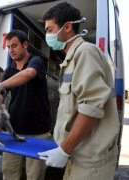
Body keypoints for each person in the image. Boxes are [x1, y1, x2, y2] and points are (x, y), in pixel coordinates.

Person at [38, 2, 120, 180]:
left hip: (90, 161)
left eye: (50, 29)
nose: (47, 35)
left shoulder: (85, 52)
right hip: (76, 154)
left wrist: (64, 149)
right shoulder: (71, 58)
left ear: (67, 27)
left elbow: (90, 106)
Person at [1, 30, 52, 180]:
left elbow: (28, 74)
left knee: (34, 176)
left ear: (25, 45)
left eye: (15, 46)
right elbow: (1, 95)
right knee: (9, 173)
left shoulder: (36, 61)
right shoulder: (9, 70)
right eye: (9, 47)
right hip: (13, 131)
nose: (11, 50)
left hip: (38, 131)